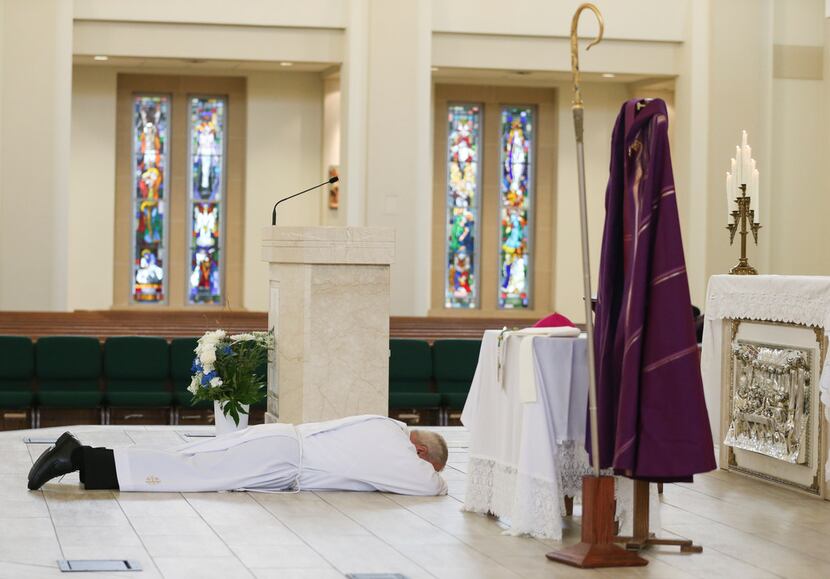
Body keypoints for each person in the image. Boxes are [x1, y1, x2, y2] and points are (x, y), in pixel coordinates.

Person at [27, 415, 448, 496]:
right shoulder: (399, 449)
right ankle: (79, 457)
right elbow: (427, 485)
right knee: (188, 473)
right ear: (421, 450)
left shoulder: (385, 424)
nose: (422, 467)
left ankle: (83, 455)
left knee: (188, 457)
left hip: (280, 440)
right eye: (426, 460)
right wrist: (441, 477)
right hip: (284, 460)